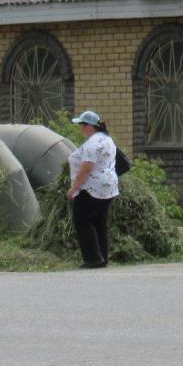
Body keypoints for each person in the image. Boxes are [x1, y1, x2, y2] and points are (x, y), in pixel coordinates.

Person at [67, 110, 120, 269]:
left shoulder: (93, 143)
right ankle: (102, 257)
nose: (81, 128)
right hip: (109, 186)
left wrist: (73, 188)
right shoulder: (107, 140)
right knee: (99, 221)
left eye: (82, 125)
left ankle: (92, 258)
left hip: (92, 187)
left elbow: (86, 168)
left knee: (82, 220)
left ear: (90, 126)